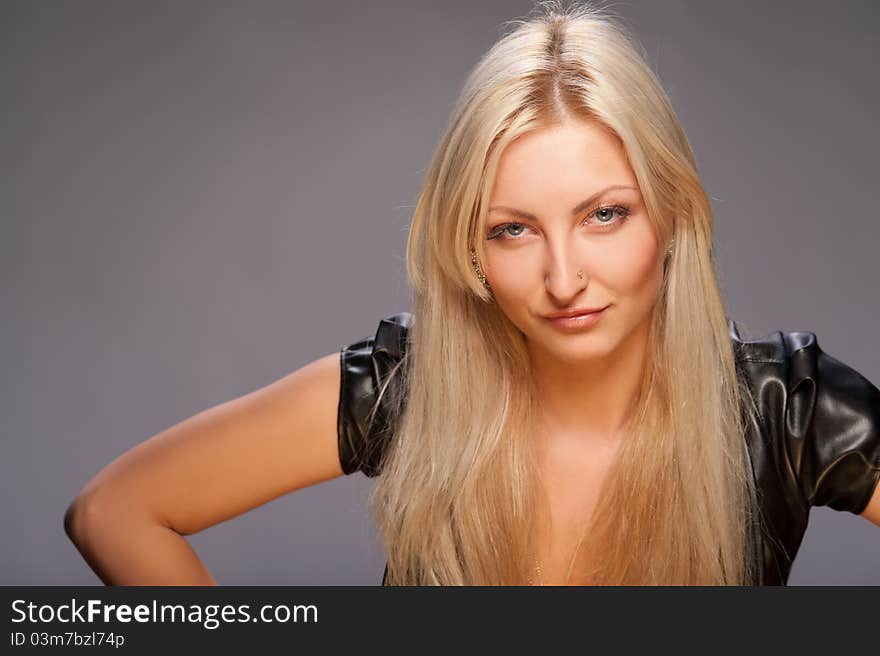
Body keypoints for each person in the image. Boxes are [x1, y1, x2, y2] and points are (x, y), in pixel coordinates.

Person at [64, 1, 880, 586]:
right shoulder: (405, 388)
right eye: (512, 230)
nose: (564, 279)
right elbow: (115, 512)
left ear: (673, 215)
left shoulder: (790, 408)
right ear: (471, 250)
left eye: (604, 214)